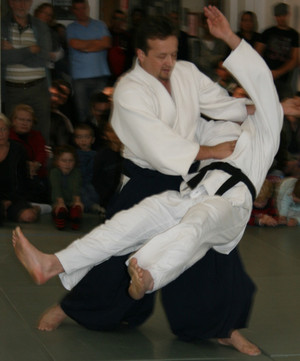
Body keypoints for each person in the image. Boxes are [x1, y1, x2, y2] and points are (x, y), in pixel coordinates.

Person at [10, 6, 281, 356]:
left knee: (213, 255)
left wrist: (259, 109)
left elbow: (220, 103)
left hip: (192, 180)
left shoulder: (185, 72)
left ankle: (221, 328)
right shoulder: (129, 90)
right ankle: (70, 307)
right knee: (116, 252)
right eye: (161, 56)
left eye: (174, 53)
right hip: (150, 175)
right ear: (141, 54)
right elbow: (158, 146)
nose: (170, 62)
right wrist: (210, 151)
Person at [1, 0, 52, 144]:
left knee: (41, 133)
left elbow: (42, 59)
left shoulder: (40, 26)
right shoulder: (2, 25)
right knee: (11, 135)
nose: (21, 5)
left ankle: (41, 164)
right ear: (11, 2)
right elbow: (1, 58)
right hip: (12, 90)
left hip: (38, 89)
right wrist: (29, 50)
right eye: (18, 1)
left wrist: (12, 52)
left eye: (25, 1)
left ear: (30, 3)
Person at [67, 0, 111, 123]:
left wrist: (85, 47)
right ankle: (84, 140)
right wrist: (97, 42)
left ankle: (99, 139)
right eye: (78, 9)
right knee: (82, 112)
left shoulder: (100, 25)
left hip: (100, 75)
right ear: (73, 10)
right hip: (80, 78)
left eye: (83, 8)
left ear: (87, 8)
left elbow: (106, 43)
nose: (81, 11)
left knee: (101, 111)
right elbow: (75, 44)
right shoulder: (71, 28)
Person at [0, 113, 40, 225]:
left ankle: (35, 208)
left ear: (9, 131)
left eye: (3, 129)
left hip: (14, 197)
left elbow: (24, 180)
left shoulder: (18, 149)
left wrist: (11, 200)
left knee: (28, 216)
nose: (1, 134)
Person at [255, 2, 299, 100]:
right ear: (275, 17)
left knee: (287, 105)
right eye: (278, 16)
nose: (281, 18)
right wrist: (265, 72)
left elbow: (295, 60)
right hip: (264, 77)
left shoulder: (294, 35)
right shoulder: (267, 32)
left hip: (283, 80)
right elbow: (256, 54)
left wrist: (277, 73)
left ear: (288, 15)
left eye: (283, 15)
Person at [9, 104, 49, 204]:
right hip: (15, 174)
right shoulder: (7, 135)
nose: (24, 123)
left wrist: (36, 164)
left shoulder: (37, 135)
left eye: (28, 120)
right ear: (13, 121)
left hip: (36, 172)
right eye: (21, 119)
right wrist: (26, 166)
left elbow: (42, 152)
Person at [49, 145, 83, 230]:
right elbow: (56, 189)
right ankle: (60, 217)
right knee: (59, 209)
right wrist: (60, 202)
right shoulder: (54, 172)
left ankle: (75, 218)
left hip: (71, 202)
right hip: (58, 201)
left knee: (76, 208)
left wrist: (77, 201)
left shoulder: (76, 172)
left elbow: (76, 187)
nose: (67, 164)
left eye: (70, 161)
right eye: (64, 161)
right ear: (57, 161)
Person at [73, 124, 101, 214]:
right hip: (78, 181)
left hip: (91, 181)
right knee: (81, 192)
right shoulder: (73, 154)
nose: (83, 140)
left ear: (92, 140)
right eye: (79, 137)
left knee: (93, 192)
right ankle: (91, 206)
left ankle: (95, 206)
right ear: (75, 140)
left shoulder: (97, 155)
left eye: (86, 137)